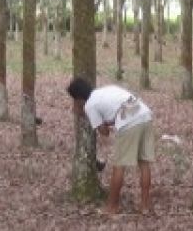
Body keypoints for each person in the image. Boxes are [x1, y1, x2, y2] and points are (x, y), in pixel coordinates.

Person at [66, 76, 156, 215]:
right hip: (145, 115)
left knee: (119, 166)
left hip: (129, 122)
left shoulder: (90, 105)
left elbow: (104, 133)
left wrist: (94, 119)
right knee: (144, 163)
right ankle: (145, 206)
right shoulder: (106, 90)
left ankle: (112, 207)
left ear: (78, 99)